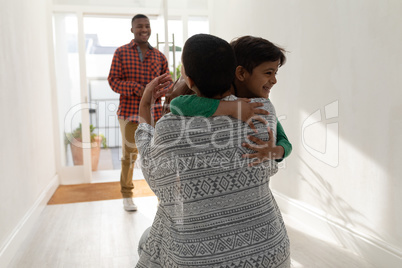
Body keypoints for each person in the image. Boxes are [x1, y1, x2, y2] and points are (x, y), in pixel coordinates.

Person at [135, 34, 290, 267]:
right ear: (235, 73)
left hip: (198, 259)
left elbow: (152, 171)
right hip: (271, 252)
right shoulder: (262, 111)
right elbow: (272, 162)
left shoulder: (169, 127)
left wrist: (145, 106)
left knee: (148, 239)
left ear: (188, 79)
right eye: (269, 73)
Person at [170, 35, 292, 167]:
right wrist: (231, 108)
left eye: (275, 73)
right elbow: (177, 104)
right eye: (268, 73)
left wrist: (275, 152)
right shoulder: (216, 95)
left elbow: (285, 142)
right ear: (241, 73)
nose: (274, 80)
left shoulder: (261, 106)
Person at [108, 14, 173, 211]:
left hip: (154, 114)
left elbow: (168, 82)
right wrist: (137, 89)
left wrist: (157, 91)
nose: (143, 30)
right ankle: (127, 195)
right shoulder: (121, 53)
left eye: (147, 26)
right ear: (132, 29)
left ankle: (162, 196)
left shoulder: (159, 57)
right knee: (130, 155)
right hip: (129, 112)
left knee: (158, 154)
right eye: (139, 27)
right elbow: (113, 81)